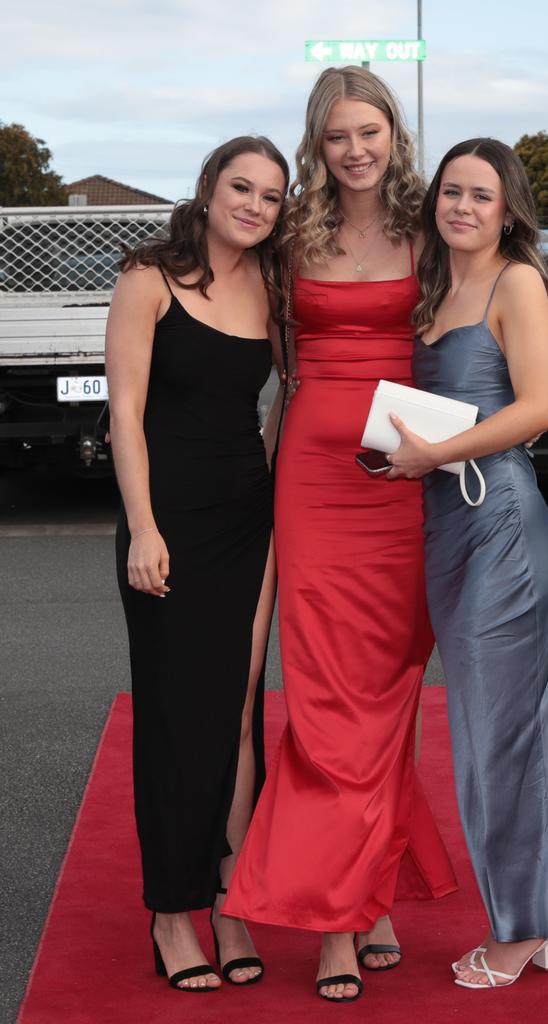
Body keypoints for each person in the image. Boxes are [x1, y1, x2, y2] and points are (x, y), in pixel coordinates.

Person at [224, 67, 457, 1003]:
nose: (354, 150)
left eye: (369, 132)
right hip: (314, 488)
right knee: (323, 699)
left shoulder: (430, 227)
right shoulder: (293, 235)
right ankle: (337, 921)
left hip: (403, 484)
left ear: (394, 134)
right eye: (335, 137)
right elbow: (271, 358)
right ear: (316, 144)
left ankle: (367, 885)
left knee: (387, 693)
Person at [387, 138, 548, 990]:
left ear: (509, 208)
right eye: (451, 192)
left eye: (481, 195)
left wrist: (439, 455)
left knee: (505, 739)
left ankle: (519, 930)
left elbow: (537, 409)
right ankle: (530, 918)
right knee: (487, 733)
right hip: (448, 527)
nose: (462, 207)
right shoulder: (439, 281)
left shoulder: (515, 281)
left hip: (500, 524)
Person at [106, 136, 288, 992]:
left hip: (249, 518)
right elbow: (126, 413)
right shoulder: (149, 276)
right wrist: (143, 527)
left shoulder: (273, 287)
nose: (254, 205)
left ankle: (232, 897)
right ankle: (170, 914)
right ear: (209, 190)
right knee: (180, 716)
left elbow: (293, 395)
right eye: (240, 187)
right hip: (167, 521)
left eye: (271, 196)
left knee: (242, 710)